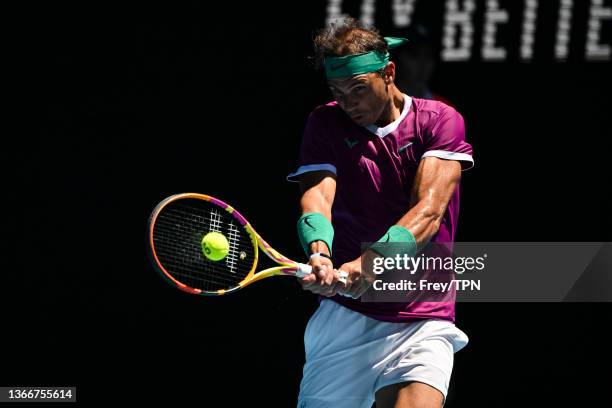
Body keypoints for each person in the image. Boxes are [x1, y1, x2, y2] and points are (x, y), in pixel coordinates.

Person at [287, 17, 473, 408]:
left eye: (358, 88)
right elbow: (318, 197)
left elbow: (428, 212)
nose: (348, 103)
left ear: (388, 73)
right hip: (346, 317)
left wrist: (370, 263)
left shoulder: (439, 120)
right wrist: (319, 253)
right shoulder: (325, 122)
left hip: (422, 315)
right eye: (337, 91)